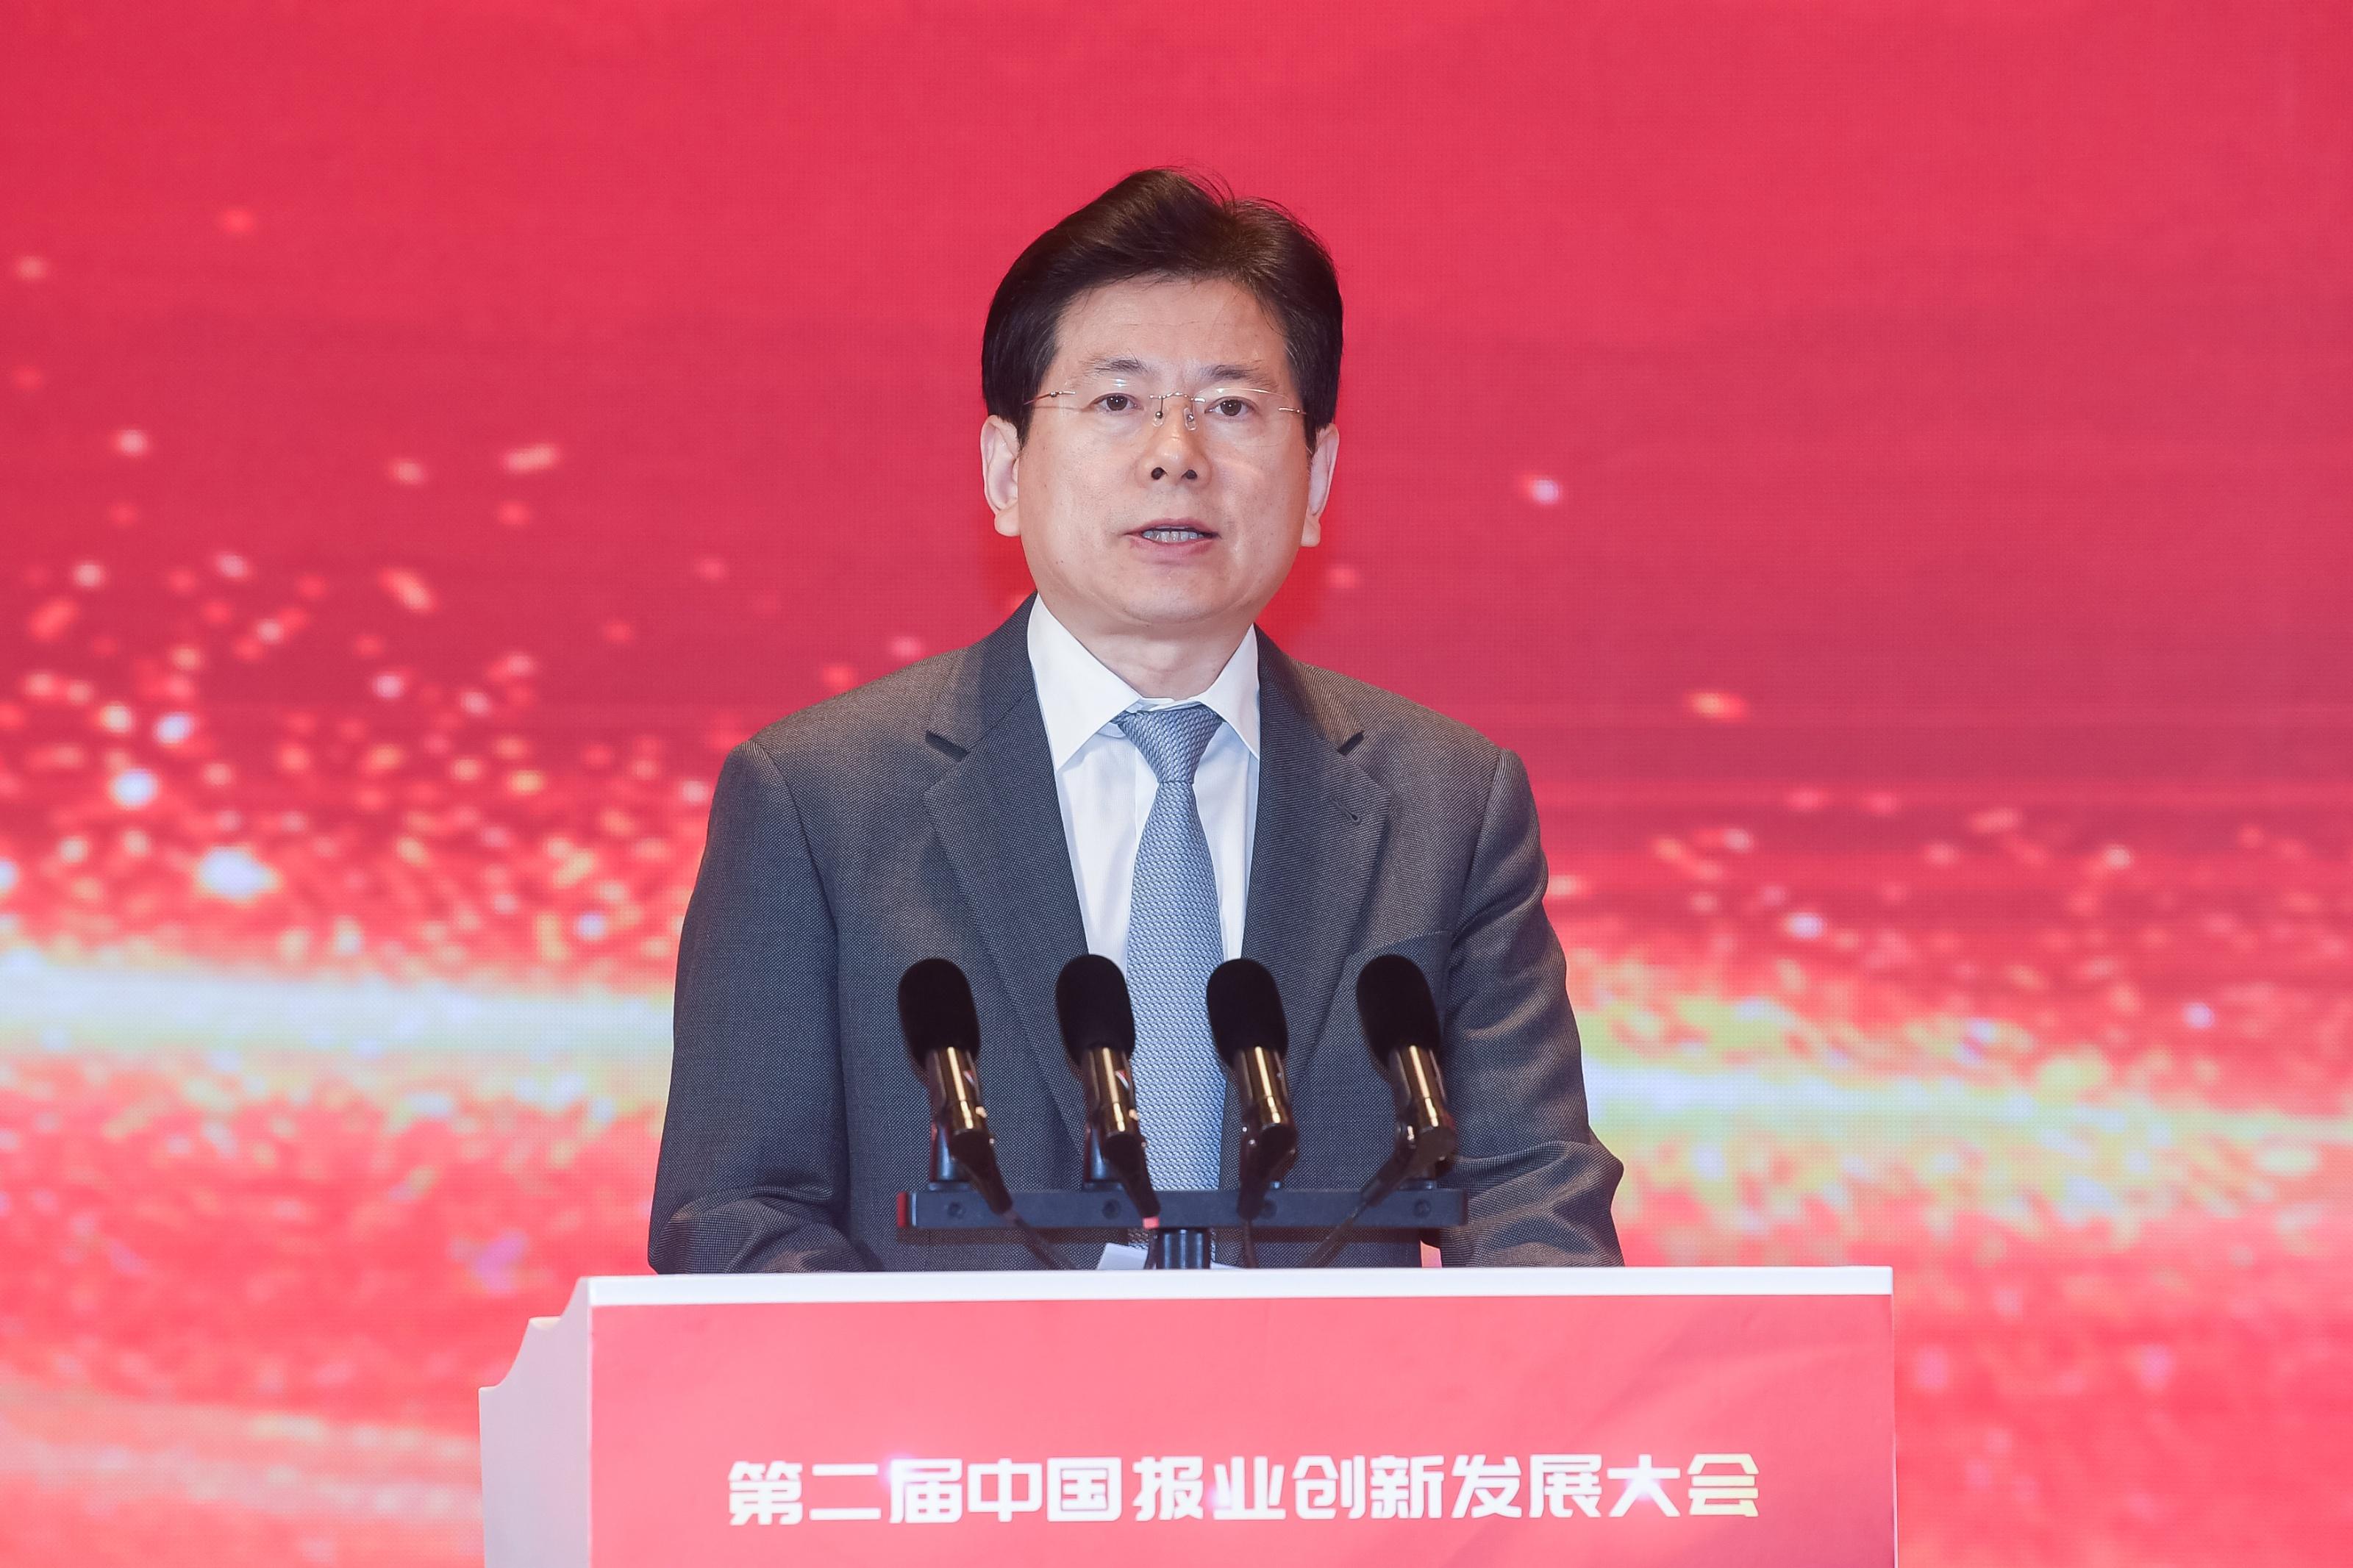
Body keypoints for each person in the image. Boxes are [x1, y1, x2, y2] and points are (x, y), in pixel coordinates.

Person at [649, 169, 1622, 1270]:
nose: (1176, 453)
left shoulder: (1448, 803)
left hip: (1325, 1393)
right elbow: (736, 1218)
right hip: (953, 1392)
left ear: (1317, 481)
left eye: (1232, 407)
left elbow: (1536, 1204)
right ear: (1005, 469)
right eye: (1117, 402)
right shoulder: (818, 798)